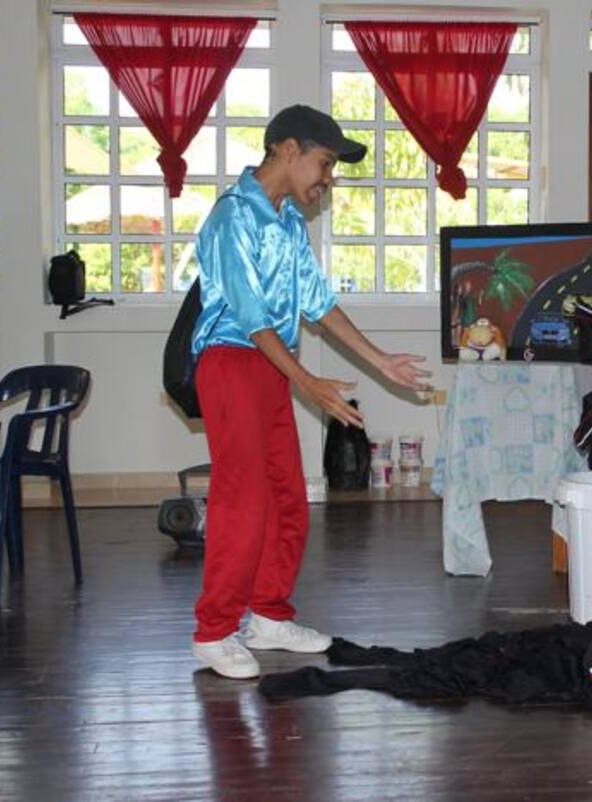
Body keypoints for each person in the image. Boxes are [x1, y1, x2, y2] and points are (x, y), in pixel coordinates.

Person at [189, 105, 432, 679]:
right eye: (325, 163)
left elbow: (317, 305)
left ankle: (268, 615)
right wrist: (309, 383)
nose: (329, 179)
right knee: (241, 500)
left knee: (287, 497)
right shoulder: (231, 217)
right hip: (230, 362)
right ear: (288, 151)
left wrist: (380, 363)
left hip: (274, 366)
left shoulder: (289, 222)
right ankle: (214, 630)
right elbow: (250, 320)